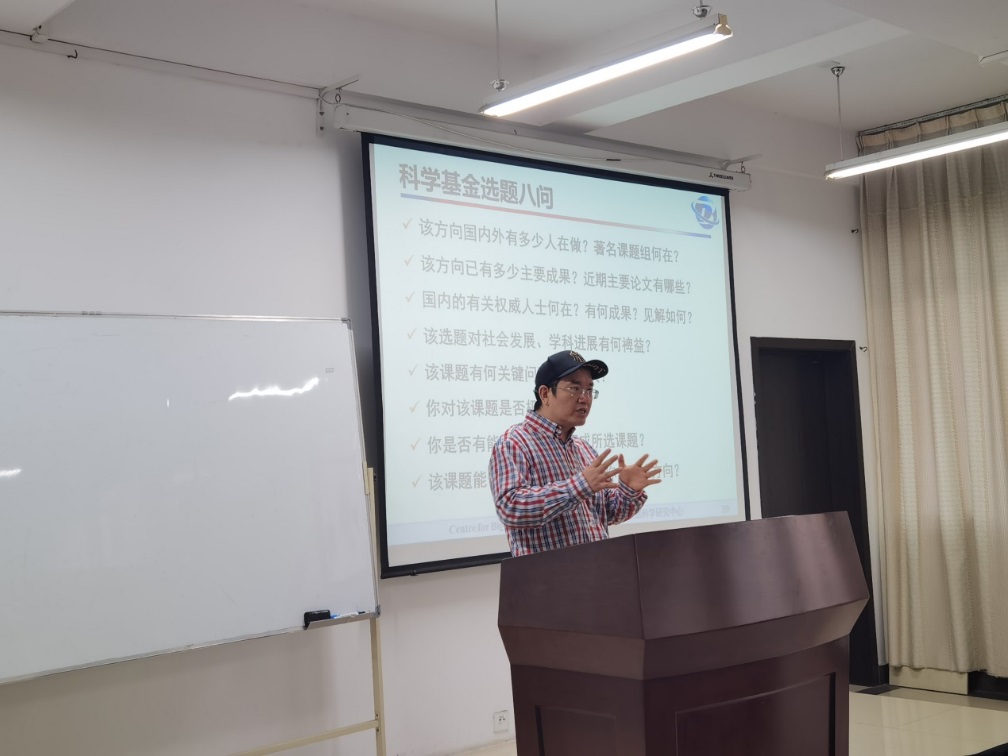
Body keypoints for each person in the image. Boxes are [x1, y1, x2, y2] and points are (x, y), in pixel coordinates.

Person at [489, 350, 661, 556]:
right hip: (547, 573)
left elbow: (607, 513)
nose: (585, 398)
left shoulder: (583, 448)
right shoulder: (514, 442)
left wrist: (628, 491)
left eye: (589, 389)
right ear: (545, 394)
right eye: (574, 388)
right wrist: (579, 486)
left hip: (599, 567)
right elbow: (511, 508)